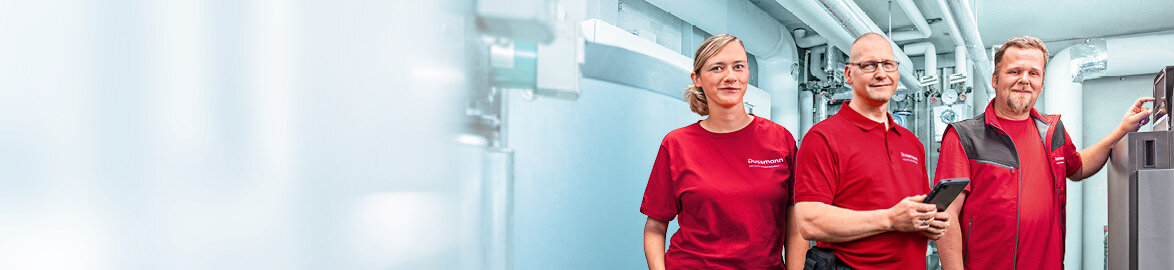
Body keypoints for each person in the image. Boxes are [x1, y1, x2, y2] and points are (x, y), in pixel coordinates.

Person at [933, 36, 1154, 270]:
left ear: (1042, 83)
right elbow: (942, 211)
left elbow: (1077, 167)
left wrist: (1121, 131)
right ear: (995, 80)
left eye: (1033, 73)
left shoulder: (1051, 131)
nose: (1024, 80)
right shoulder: (963, 136)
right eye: (1014, 71)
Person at [640, 34, 806, 270]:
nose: (730, 77)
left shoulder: (781, 140)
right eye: (717, 68)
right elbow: (655, 226)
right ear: (697, 78)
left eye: (738, 66)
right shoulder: (676, 144)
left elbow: (797, 218)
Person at [793, 33, 948, 270]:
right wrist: (890, 219)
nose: (881, 73)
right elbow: (810, 221)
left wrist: (929, 222)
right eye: (869, 65)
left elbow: (911, 215)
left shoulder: (912, 143)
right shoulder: (823, 137)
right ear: (848, 74)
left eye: (888, 64)